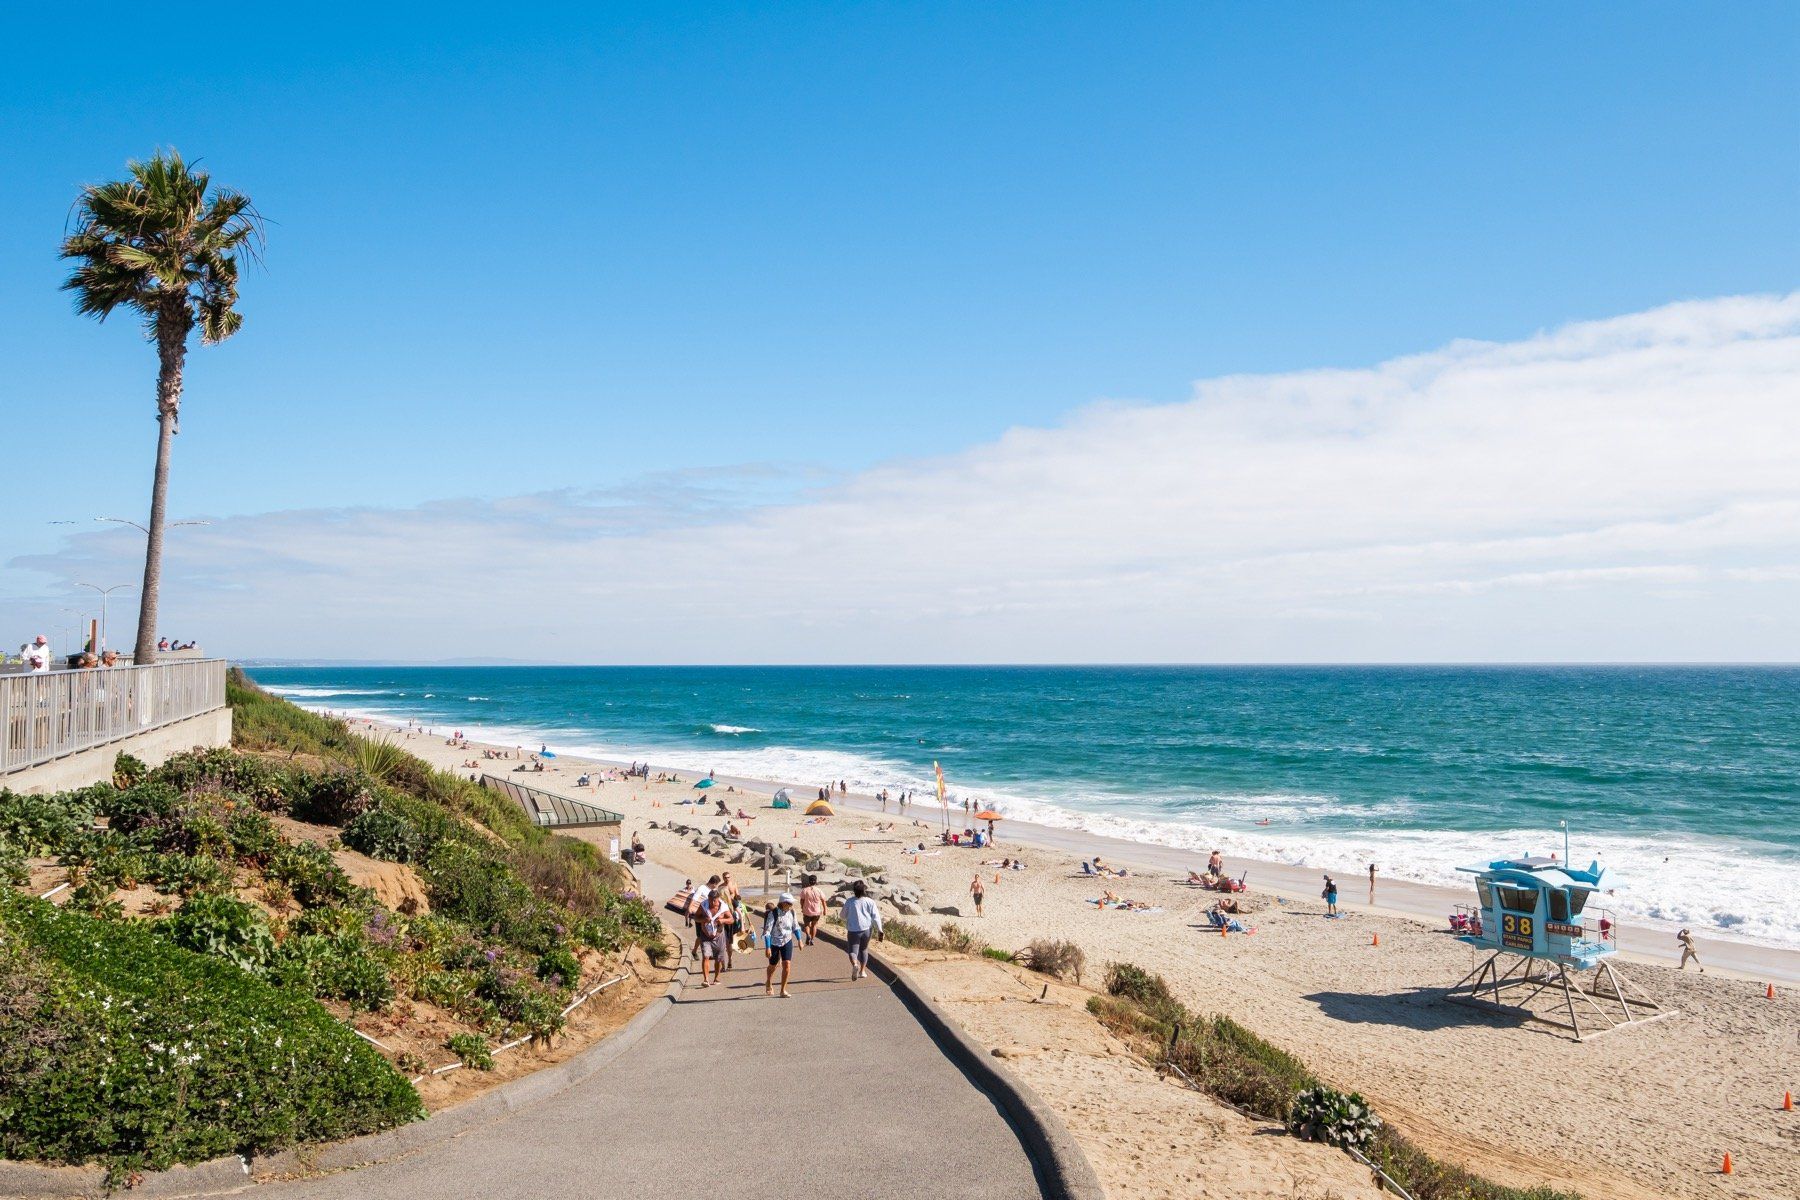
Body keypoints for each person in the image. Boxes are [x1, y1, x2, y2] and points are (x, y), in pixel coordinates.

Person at [842, 879, 883, 981]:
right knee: (864, 949)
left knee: (852, 951)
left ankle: (855, 964)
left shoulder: (850, 901)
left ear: (854, 890)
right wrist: (880, 930)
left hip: (853, 930)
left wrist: (848, 917)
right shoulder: (870, 902)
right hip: (866, 930)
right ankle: (862, 971)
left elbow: (842, 915)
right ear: (864, 890)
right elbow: (876, 917)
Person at [763, 893, 802, 997]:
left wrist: (799, 939)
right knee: (773, 966)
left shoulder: (792, 912)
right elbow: (767, 932)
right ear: (783, 903)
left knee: (787, 964)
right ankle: (768, 982)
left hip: (787, 941)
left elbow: (796, 927)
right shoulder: (773, 914)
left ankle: (783, 990)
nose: (791, 906)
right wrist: (767, 947)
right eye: (789, 903)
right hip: (774, 942)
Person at [696, 889, 730, 986]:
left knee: (718, 958)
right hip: (705, 934)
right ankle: (706, 980)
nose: (711, 902)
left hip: (719, 935)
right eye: (710, 900)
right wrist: (704, 919)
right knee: (706, 956)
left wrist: (723, 920)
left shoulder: (724, 907)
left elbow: (731, 919)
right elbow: (696, 917)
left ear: (718, 899)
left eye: (713, 901)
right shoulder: (703, 905)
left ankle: (716, 978)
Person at [798, 873, 825, 946]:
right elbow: (823, 900)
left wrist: (802, 907)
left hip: (807, 911)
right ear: (816, 881)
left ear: (809, 881)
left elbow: (802, 900)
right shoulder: (819, 890)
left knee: (807, 925)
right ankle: (812, 939)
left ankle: (808, 936)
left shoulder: (805, 890)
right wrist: (825, 909)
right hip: (816, 911)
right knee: (814, 925)